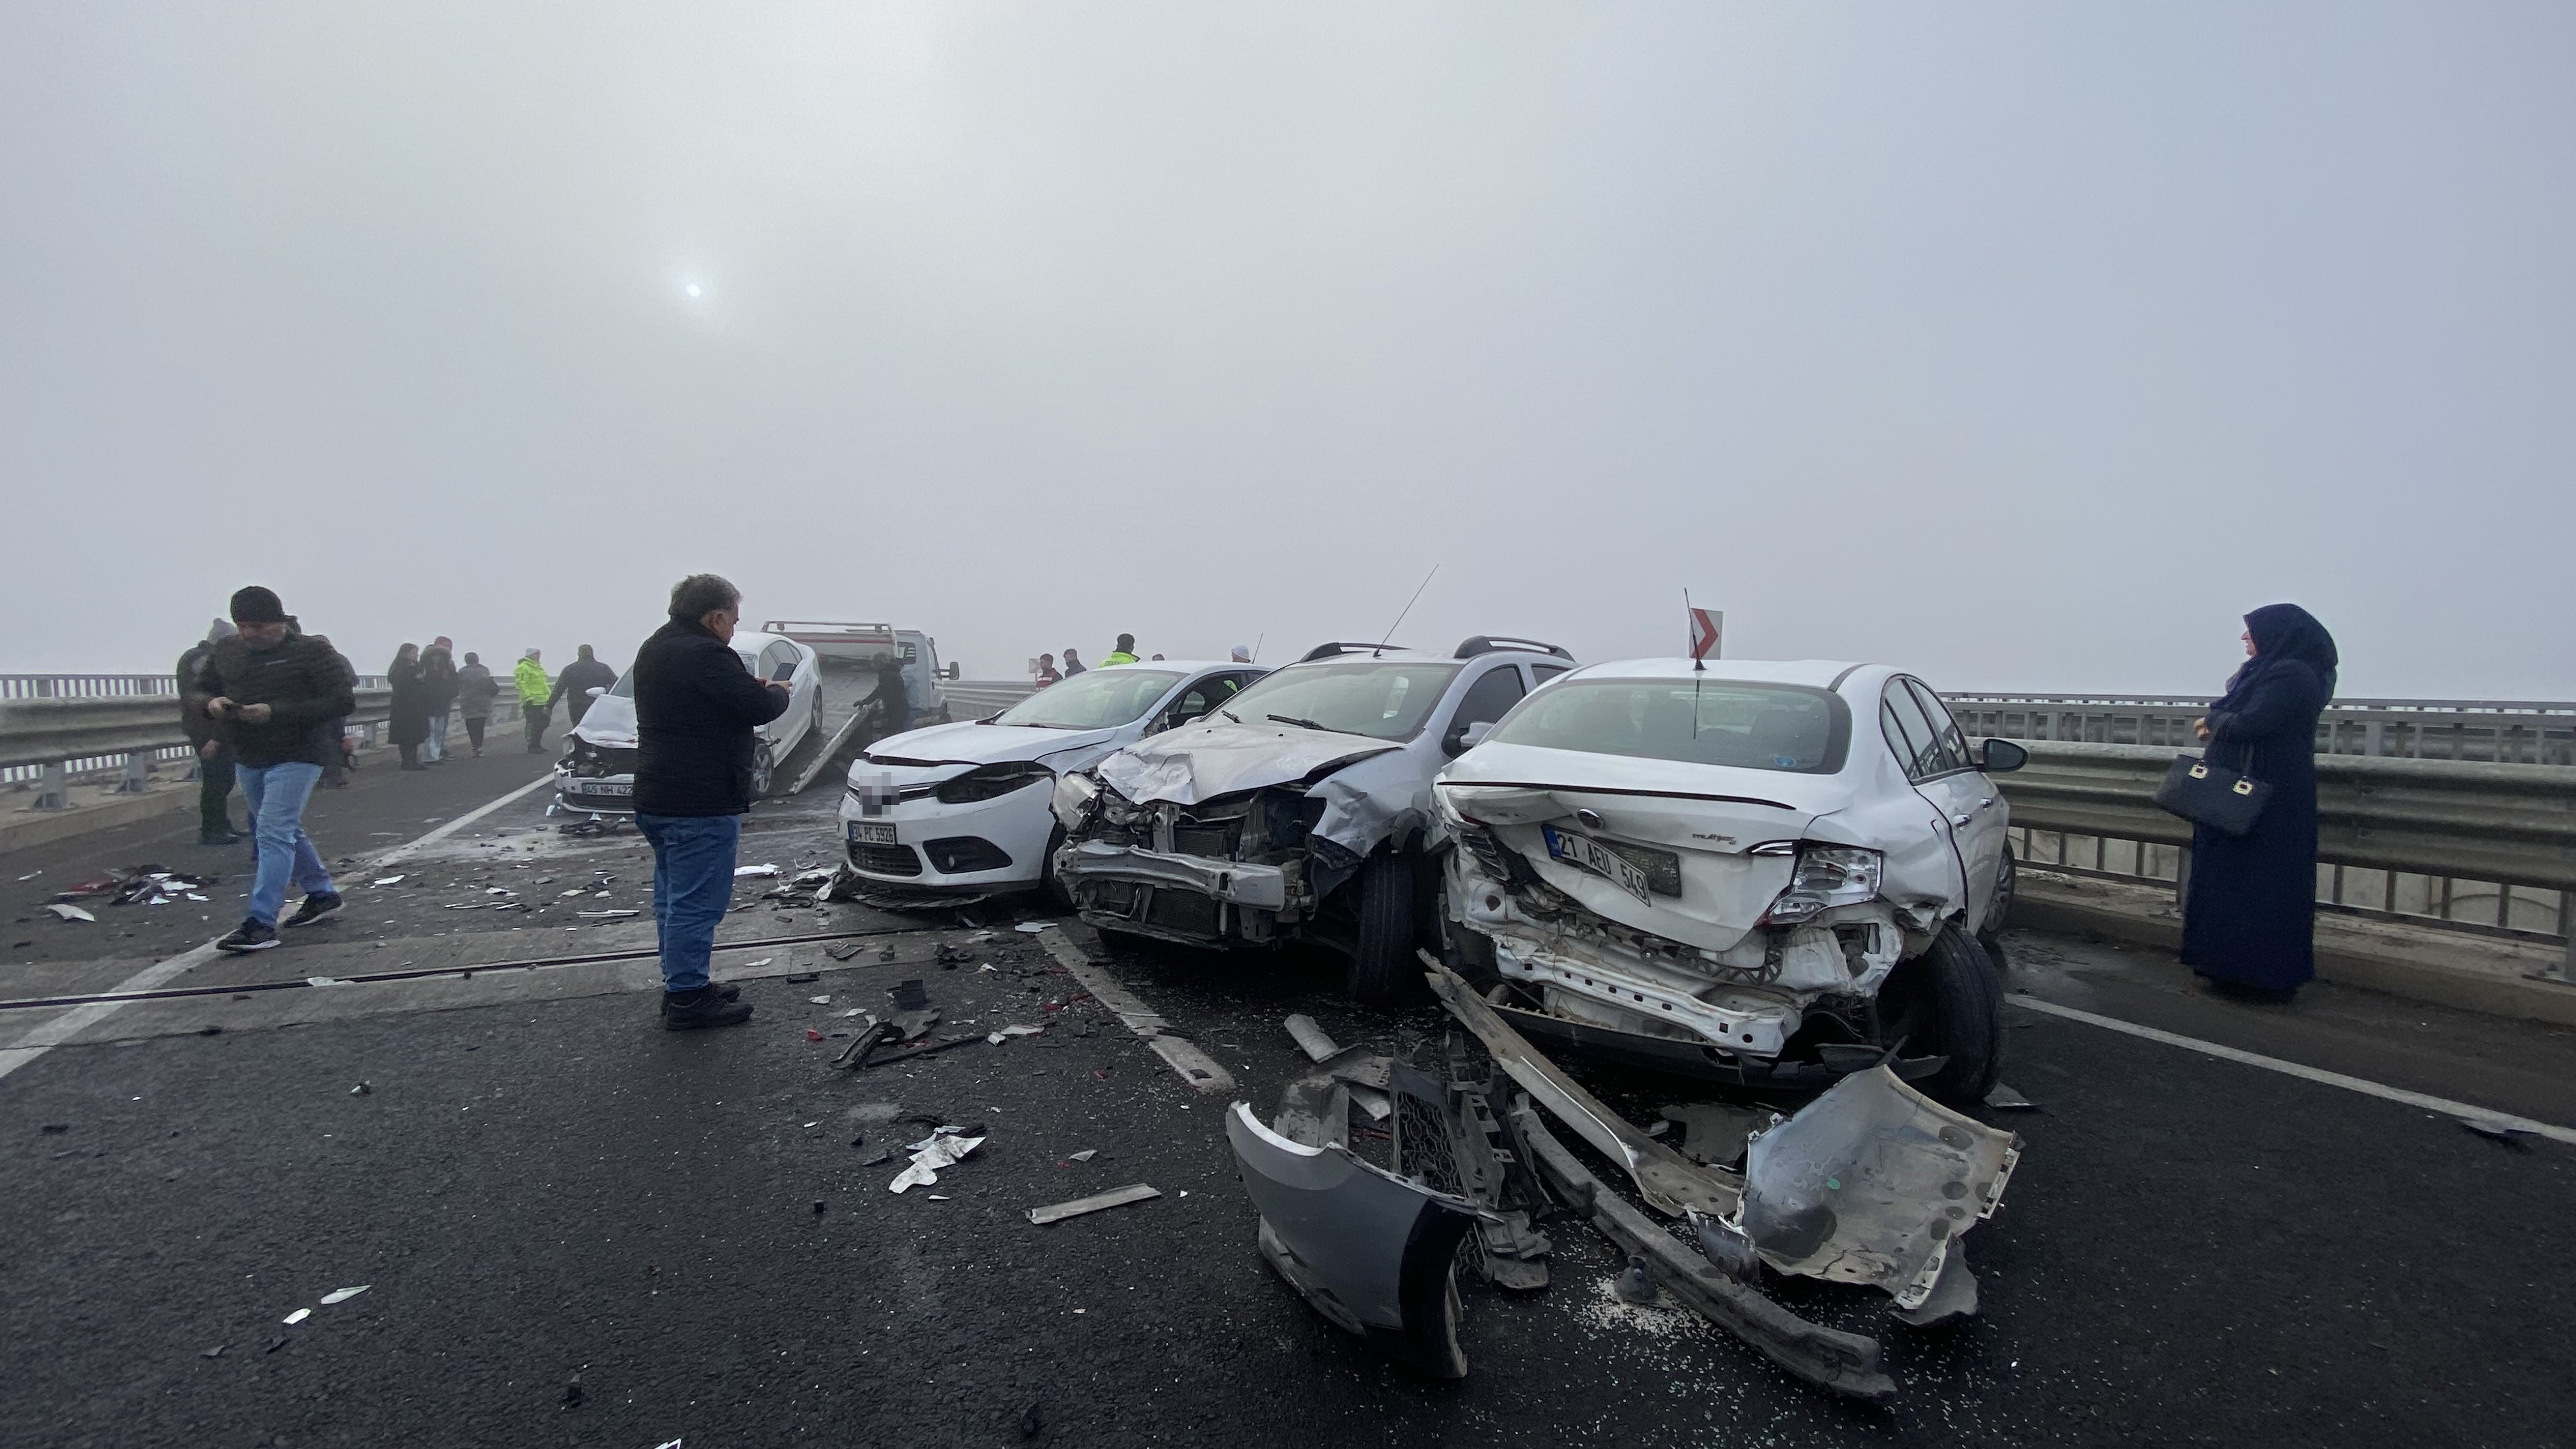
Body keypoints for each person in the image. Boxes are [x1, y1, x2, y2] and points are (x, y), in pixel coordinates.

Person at [632, 574, 788, 1030]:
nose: (735, 630)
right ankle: (687, 999)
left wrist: (743, 688)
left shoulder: (656, 647)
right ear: (714, 617)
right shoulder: (706, 653)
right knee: (698, 903)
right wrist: (775, 691)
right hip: (698, 801)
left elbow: (709, 699)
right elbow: (758, 708)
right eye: (733, 621)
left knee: (673, 900)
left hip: (659, 794)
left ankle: (681, 983)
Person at [2181, 604, 2339, 1002]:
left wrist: (2214, 721)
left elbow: (2250, 724)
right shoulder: (2274, 671)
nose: (2244, 638)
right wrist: (2221, 718)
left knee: (2259, 888)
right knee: (2231, 883)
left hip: (2266, 800)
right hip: (2247, 793)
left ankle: (2260, 978)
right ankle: (2226, 969)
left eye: (2250, 631)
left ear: (2276, 634)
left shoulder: (2293, 674)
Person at [190, 586, 355, 954]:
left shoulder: (313, 651)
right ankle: (322, 894)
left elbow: (342, 701)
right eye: (243, 625)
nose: (250, 634)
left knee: (272, 830)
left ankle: (261, 921)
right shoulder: (228, 651)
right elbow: (200, 691)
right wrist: (212, 704)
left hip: (301, 752)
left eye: (259, 626)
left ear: (279, 621)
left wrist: (274, 711)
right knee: (284, 828)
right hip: (249, 753)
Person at [178, 619, 243, 845]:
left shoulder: (195, 657)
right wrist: (214, 737)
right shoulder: (202, 660)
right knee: (217, 777)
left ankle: (221, 825)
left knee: (222, 777)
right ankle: (213, 829)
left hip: (210, 726)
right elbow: (205, 697)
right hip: (205, 727)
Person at [387, 643, 434, 770]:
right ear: (405, 653)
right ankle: (407, 761)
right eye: (413, 653)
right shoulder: (399, 667)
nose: (415, 656)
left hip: (417, 705)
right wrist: (415, 677)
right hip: (403, 705)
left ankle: (412, 759)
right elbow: (399, 682)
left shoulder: (417, 667)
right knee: (406, 734)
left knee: (415, 734)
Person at [551, 645, 618, 727]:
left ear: (579, 654)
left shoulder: (570, 669)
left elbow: (559, 689)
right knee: (598, 728)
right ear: (592, 653)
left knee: (579, 729)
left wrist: (549, 706)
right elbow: (616, 685)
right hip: (597, 704)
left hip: (576, 706)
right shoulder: (603, 668)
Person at [419, 638, 458, 763]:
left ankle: (437, 753)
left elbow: (452, 679)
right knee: (432, 728)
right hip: (433, 699)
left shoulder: (447, 662)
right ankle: (431, 755)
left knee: (440, 728)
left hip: (444, 698)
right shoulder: (429, 661)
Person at [455, 651, 498, 756]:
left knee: (471, 726)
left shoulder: (462, 672)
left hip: (468, 703)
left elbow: (457, 686)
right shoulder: (484, 670)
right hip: (483, 703)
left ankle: (474, 745)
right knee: (480, 726)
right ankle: (478, 746)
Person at [515, 649, 552, 752]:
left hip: (542, 700)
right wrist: (528, 697)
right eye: (536, 654)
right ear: (531, 655)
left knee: (544, 722)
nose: (538, 656)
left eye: (539, 654)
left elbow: (543, 684)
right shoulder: (523, 667)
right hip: (531, 701)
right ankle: (532, 746)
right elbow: (522, 684)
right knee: (533, 723)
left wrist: (549, 698)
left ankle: (537, 744)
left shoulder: (539, 667)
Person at [871, 649, 912, 734]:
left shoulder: (886, 675)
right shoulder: (892, 672)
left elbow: (882, 692)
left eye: (873, 663)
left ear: (879, 663)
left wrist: (866, 701)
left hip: (896, 712)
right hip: (901, 710)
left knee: (891, 735)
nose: (872, 666)